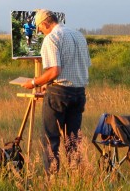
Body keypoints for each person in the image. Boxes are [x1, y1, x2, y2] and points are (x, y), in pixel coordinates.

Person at [21, 9, 91, 175]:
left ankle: (51, 178)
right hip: (79, 92)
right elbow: (82, 65)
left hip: (59, 94)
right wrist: (49, 83)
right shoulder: (79, 36)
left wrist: (34, 82)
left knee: (50, 139)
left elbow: (55, 71)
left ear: (45, 23)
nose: (41, 33)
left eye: (40, 29)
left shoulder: (52, 38)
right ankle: (76, 177)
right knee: (73, 140)